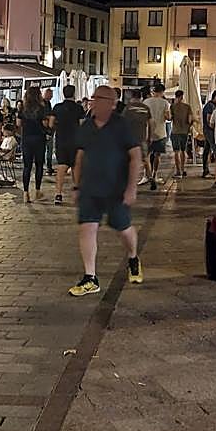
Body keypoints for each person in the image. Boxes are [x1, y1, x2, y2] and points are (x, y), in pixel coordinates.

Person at [68, 86, 143, 296]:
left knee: (124, 229)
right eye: (93, 98)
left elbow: (136, 156)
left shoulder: (122, 125)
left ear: (111, 103)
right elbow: (80, 157)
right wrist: (76, 185)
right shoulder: (87, 126)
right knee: (87, 228)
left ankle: (133, 257)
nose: (93, 102)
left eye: (98, 99)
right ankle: (90, 277)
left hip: (116, 189)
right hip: (90, 188)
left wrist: (131, 187)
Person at [52, 86, 85, 204]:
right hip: (75, 140)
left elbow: (51, 123)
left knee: (62, 166)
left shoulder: (57, 107)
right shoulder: (79, 108)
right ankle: (77, 191)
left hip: (61, 140)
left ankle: (58, 194)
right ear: (74, 94)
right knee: (76, 165)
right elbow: (82, 125)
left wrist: (58, 127)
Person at [18, 87, 50, 202]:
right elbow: (46, 124)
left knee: (27, 166)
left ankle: (25, 193)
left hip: (26, 139)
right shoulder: (42, 108)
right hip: (39, 139)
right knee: (39, 165)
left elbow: (18, 123)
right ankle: (37, 191)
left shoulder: (22, 108)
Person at [142, 84, 170, 189]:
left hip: (147, 133)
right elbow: (168, 117)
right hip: (161, 133)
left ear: (154, 91)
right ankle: (154, 174)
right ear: (162, 92)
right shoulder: (165, 103)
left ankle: (146, 175)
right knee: (157, 155)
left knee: (147, 156)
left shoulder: (146, 102)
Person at [122, 90, 151, 179]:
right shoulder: (146, 108)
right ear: (141, 97)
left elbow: (122, 123)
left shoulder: (128, 108)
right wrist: (149, 136)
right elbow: (150, 123)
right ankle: (150, 177)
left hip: (129, 138)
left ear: (132, 97)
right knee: (145, 158)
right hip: (142, 137)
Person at [169, 89, 194, 180]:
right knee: (183, 151)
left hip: (175, 131)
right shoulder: (188, 107)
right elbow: (190, 120)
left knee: (176, 152)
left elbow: (169, 118)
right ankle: (183, 169)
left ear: (176, 97)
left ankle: (178, 171)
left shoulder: (172, 107)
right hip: (185, 132)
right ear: (182, 97)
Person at [201, 91, 216, 177]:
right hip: (209, 130)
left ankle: (206, 171)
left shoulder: (211, 105)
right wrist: (214, 128)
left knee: (207, 150)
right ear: (215, 97)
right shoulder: (210, 106)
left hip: (207, 130)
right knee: (215, 150)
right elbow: (209, 119)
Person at [42, 88, 56, 175]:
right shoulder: (43, 104)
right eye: (50, 94)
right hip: (45, 129)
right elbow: (45, 117)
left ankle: (48, 166)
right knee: (48, 149)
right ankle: (47, 166)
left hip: (48, 129)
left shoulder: (48, 103)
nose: (51, 96)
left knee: (49, 149)